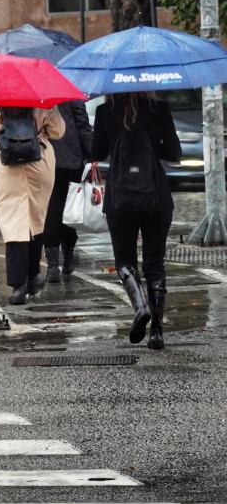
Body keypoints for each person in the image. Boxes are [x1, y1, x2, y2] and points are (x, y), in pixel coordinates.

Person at [91, 92, 181, 350]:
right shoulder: (159, 108)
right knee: (155, 265)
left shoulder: (105, 111)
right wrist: (154, 146)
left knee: (125, 261)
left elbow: (96, 152)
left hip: (120, 198)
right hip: (156, 197)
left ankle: (140, 306)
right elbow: (175, 152)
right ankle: (156, 331)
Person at [0, 105, 65, 305]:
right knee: (36, 217)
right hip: (38, 158)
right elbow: (58, 130)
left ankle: (17, 285)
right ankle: (32, 275)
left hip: (6, 159)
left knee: (12, 222)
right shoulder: (42, 98)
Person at [43, 99, 94, 282]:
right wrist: (90, 154)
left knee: (51, 210)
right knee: (70, 205)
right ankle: (68, 256)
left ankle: (52, 266)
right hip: (72, 157)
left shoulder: (39, 88)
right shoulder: (70, 86)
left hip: (46, 157)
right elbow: (81, 121)